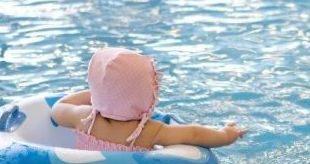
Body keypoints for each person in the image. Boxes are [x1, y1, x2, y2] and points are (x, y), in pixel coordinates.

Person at [51, 47, 246, 151]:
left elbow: (58, 109)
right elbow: (194, 134)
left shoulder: (84, 118)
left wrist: (96, 94)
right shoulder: (148, 131)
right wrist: (226, 135)